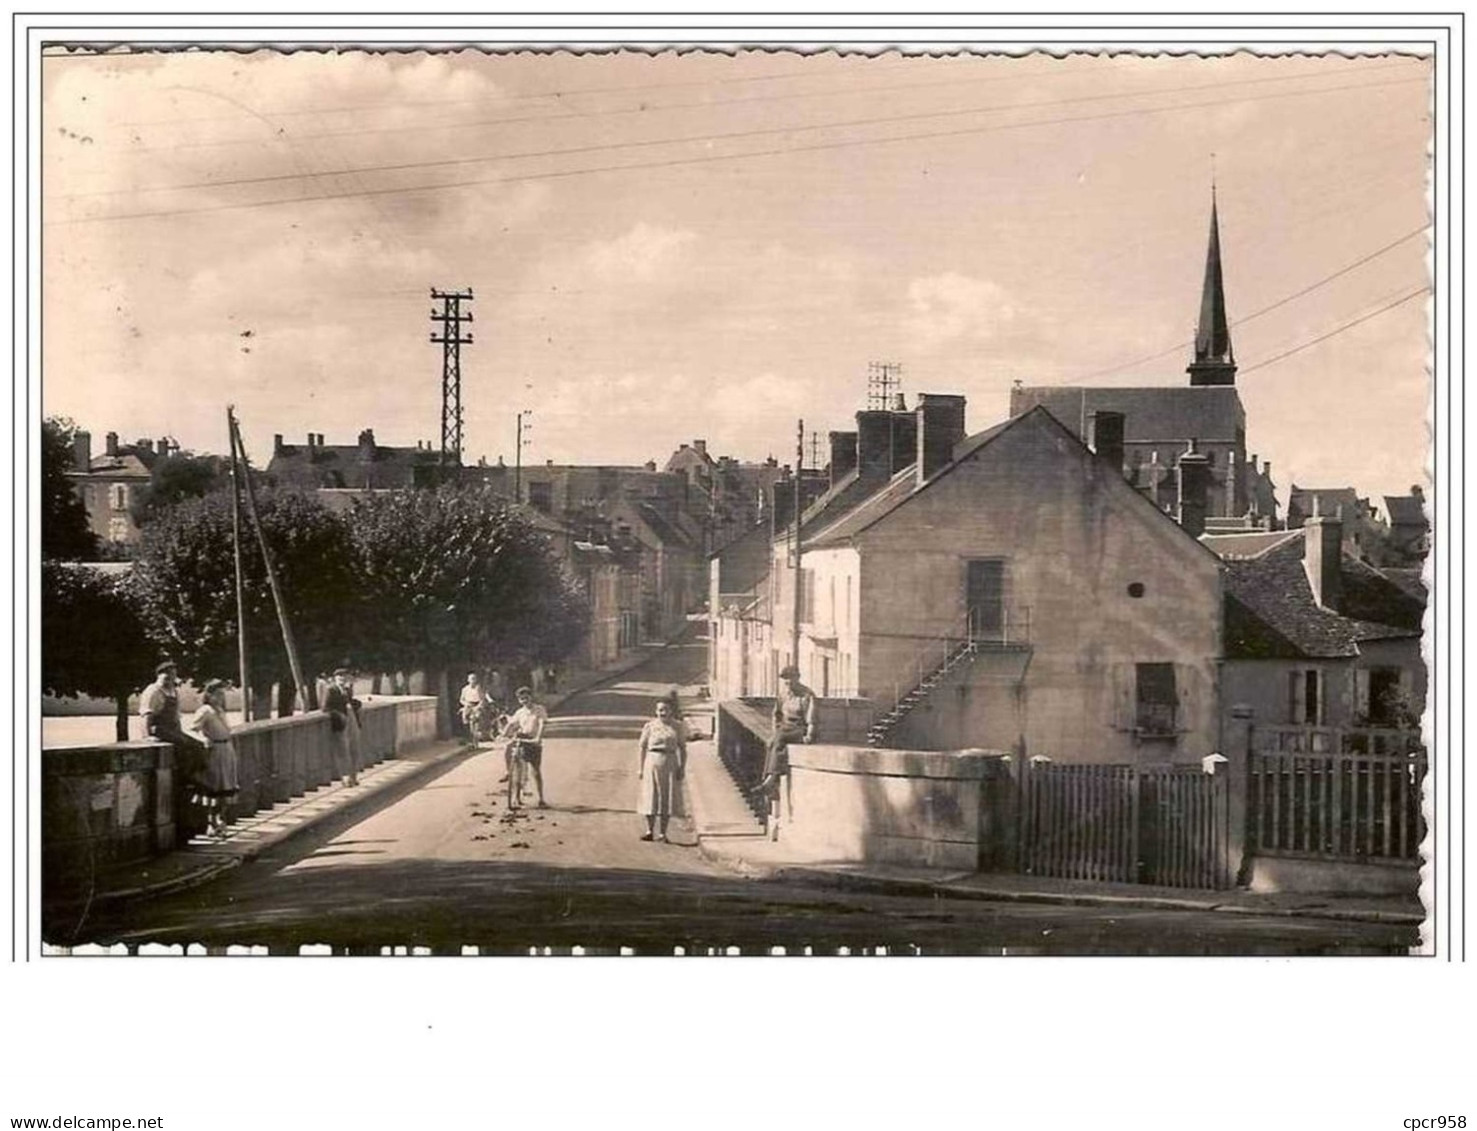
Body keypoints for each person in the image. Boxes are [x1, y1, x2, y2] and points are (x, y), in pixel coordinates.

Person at [140, 660, 208, 841]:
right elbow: (146, 715)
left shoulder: (174, 691)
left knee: (198, 745)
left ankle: (192, 774)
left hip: (173, 729)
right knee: (184, 746)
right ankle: (186, 774)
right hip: (160, 728)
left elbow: (177, 717)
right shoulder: (153, 691)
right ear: (159, 675)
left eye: (172, 675)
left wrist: (181, 732)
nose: (170, 679)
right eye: (166, 675)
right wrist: (147, 737)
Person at [188, 679, 240, 837]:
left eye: (221, 694)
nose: (220, 697)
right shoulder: (205, 711)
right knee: (214, 788)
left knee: (227, 787)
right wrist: (203, 739)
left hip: (226, 749)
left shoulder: (219, 710)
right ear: (209, 695)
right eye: (217, 694)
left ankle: (221, 821)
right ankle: (211, 822)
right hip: (215, 750)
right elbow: (192, 729)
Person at [755, 665, 815, 798]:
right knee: (772, 743)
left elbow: (811, 719)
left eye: (790, 678)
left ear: (797, 678)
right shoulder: (783, 694)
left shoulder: (807, 695)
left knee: (780, 738)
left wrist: (809, 736)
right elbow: (776, 714)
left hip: (799, 729)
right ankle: (769, 781)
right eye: (785, 679)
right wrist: (774, 729)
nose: (788, 682)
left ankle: (770, 781)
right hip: (785, 727)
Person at [636, 697, 687, 842]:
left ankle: (663, 833)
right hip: (652, 761)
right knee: (650, 796)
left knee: (667, 798)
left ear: (671, 711)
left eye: (666, 710)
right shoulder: (650, 726)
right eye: (660, 710)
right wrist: (640, 768)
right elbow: (642, 746)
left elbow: (683, 749)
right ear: (656, 711)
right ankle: (649, 830)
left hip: (670, 761)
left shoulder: (677, 726)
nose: (663, 713)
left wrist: (682, 768)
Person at [499, 685, 548, 808]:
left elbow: (542, 724)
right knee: (514, 760)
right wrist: (503, 734)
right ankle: (515, 795)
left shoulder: (539, 709)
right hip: (522, 739)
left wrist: (538, 738)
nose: (524, 701)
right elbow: (511, 724)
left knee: (535, 771)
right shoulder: (519, 712)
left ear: (531, 697)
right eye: (522, 699)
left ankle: (541, 799)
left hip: (533, 741)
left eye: (526, 698)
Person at [323, 667, 363, 788]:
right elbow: (325, 708)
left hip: (351, 720)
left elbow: (350, 703)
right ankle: (345, 777)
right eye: (339, 676)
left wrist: (357, 704)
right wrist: (338, 715)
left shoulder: (347, 690)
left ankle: (353, 776)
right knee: (342, 750)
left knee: (354, 748)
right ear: (335, 678)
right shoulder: (331, 690)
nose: (342, 678)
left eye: (344, 676)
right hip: (340, 722)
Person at [459, 672, 489, 747]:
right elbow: (461, 699)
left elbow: (482, 699)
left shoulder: (478, 688)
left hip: (477, 705)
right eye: (471, 679)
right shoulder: (465, 689)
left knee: (477, 720)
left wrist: (478, 706)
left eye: (474, 679)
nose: (473, 681)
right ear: (468, 680)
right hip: (468, 705)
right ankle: (467, 738)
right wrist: (466, 704)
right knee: (465, 718)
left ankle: (477, 740)